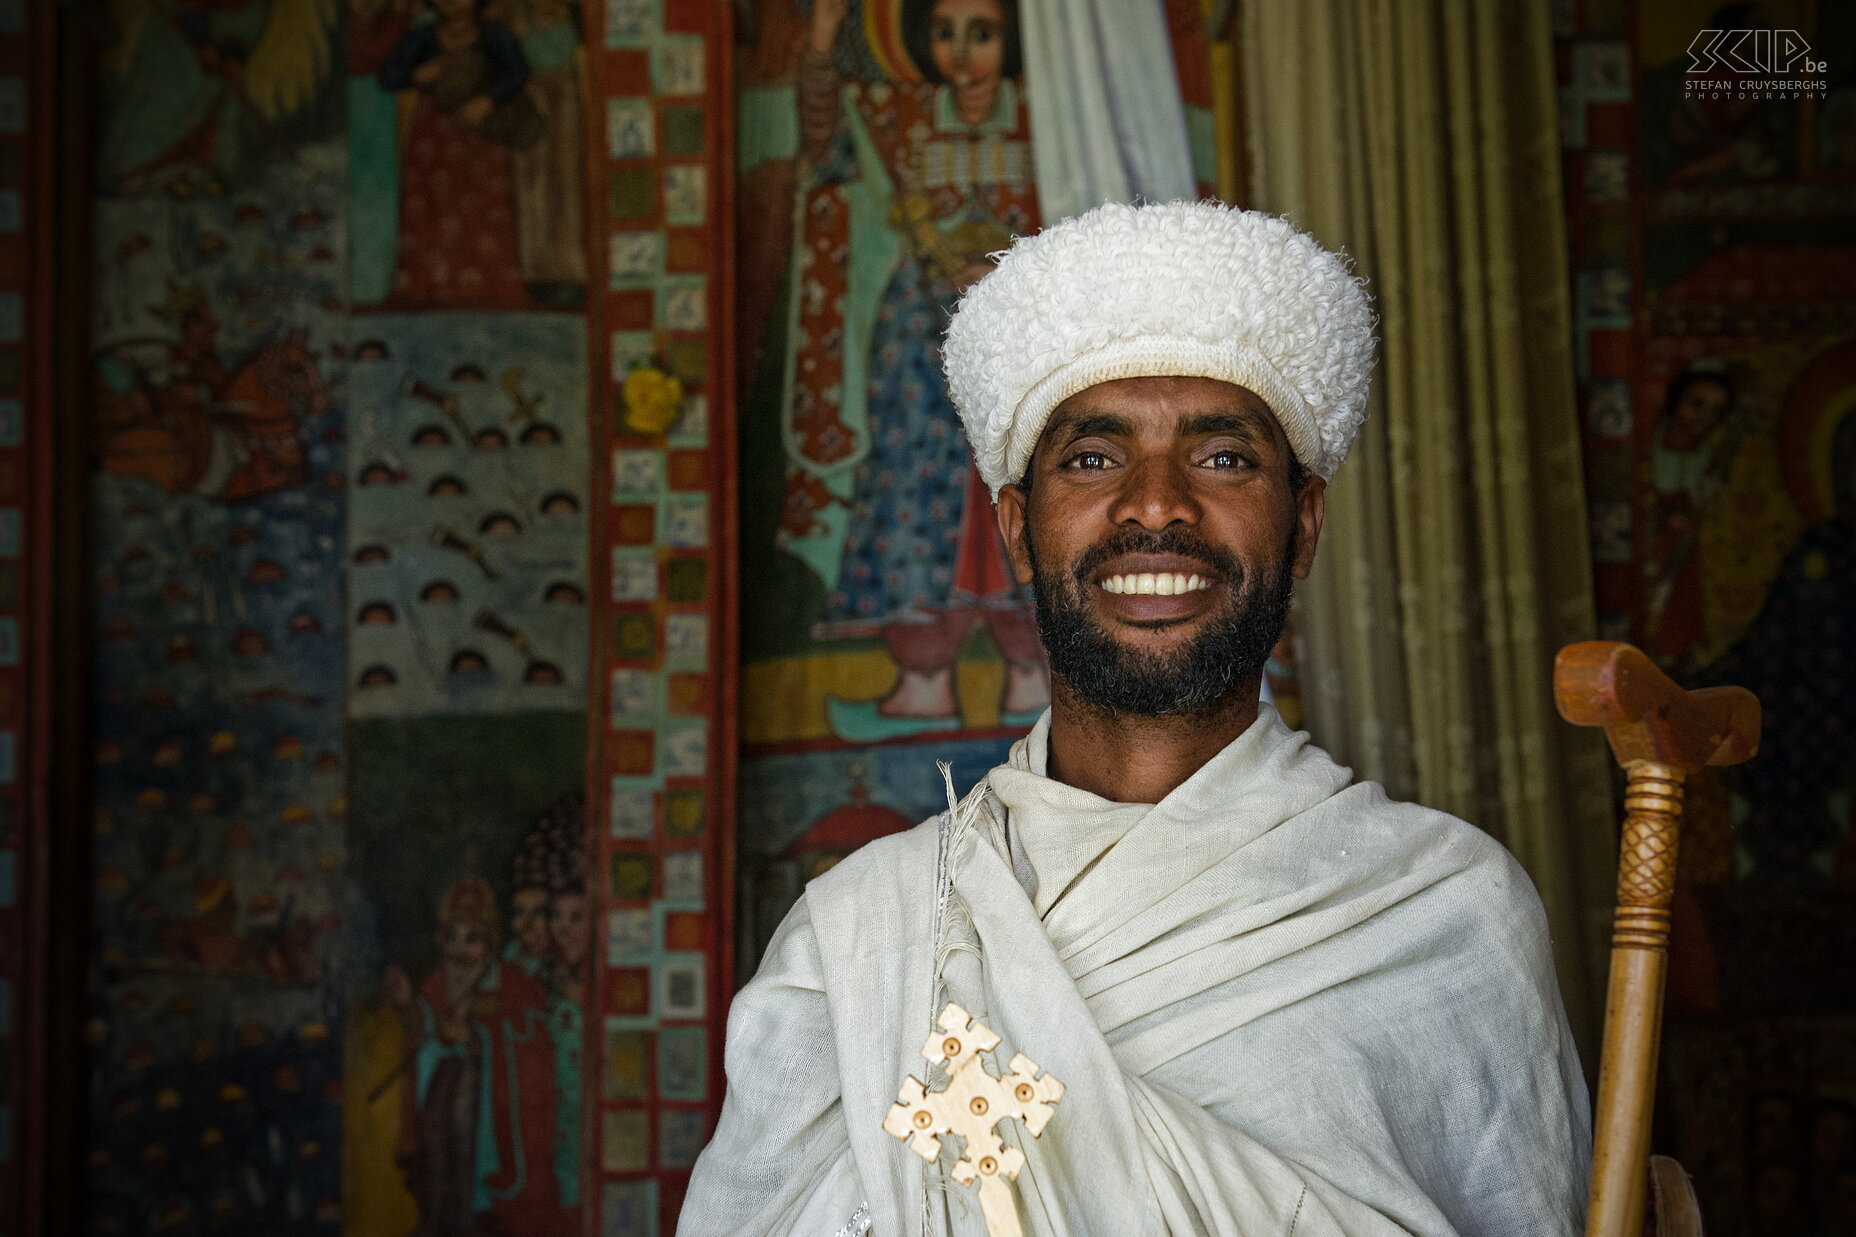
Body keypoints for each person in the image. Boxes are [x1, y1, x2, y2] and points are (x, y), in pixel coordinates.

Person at [681, 202, 1590, 1236]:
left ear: (1302, 525)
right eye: (1092, 459)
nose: (1153, 506)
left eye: (1221, 459)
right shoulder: (858, 948)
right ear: (1016, 531)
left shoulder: (1441, 914)